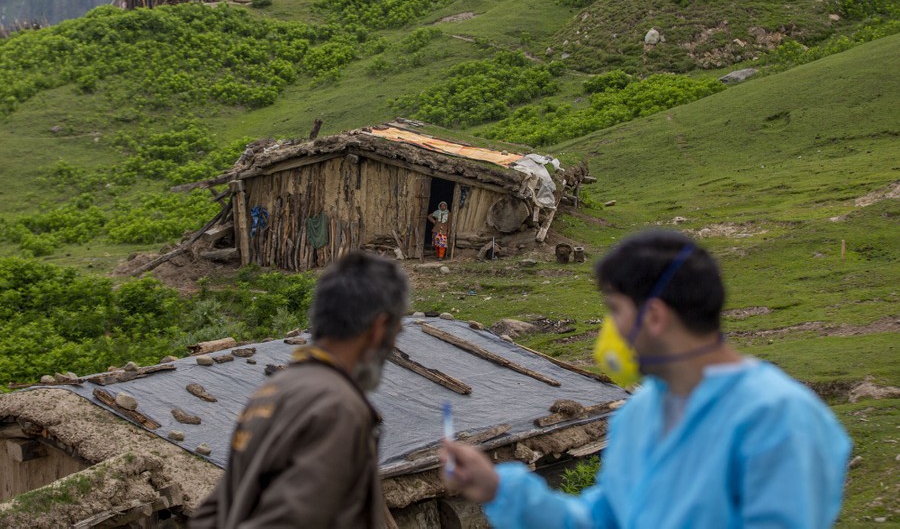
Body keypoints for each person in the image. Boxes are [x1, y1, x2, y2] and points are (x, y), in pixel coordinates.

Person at [441, 230, 851, 528]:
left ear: (653, 316)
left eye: (615, 310)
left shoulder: (778, 418)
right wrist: (499, 489)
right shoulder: (641, 413)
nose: (610, 328)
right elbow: (601, 520)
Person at [191, 251, 409, 529]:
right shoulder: (337, 406)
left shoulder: (273, 390)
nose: (392, 345)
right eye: (397, 332)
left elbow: (212, 514)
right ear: (379, 328)